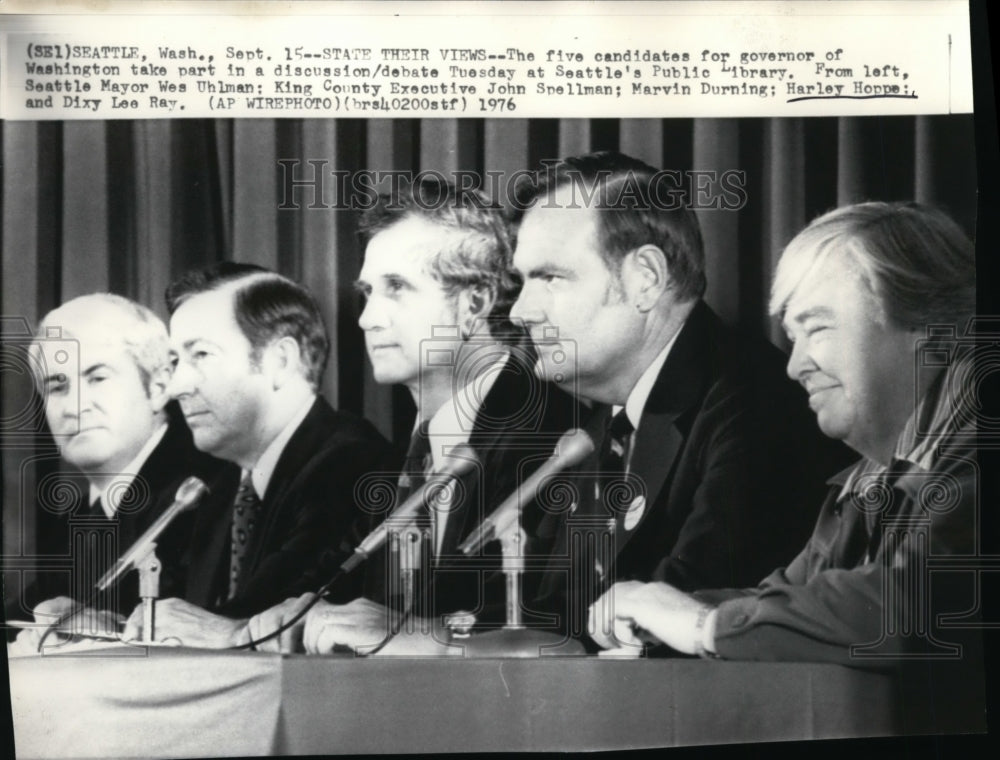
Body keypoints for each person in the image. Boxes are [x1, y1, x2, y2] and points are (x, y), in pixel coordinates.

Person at [588, 201, 978, 664]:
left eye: (818, 329)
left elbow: (920, 603)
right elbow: (793, 599)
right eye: (794, 339)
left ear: (929, 328)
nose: (794, 368)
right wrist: (662, 611)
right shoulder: (869, 478)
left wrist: (700, 626)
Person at [508, 151, 852, 647]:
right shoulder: (602, 423)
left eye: (550, 278)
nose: (520, 311)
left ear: (644, 278)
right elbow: (548, 607)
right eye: (522, 282)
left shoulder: (756, 404)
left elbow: (677, 608)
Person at [247, 179, 579, 654]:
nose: (367, 319)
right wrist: (253, 628)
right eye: (368, 292)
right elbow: (321, 592)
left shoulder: (550, 437)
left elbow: (551, 621)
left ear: (475, 303)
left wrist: (432, 635)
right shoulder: (410, 450)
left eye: (396, 288)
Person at [122, 263, 390, 647]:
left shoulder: (351, 463)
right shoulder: (217, 483)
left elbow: (272, 615)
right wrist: (107, 622)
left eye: (200, 354)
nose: (177, 386)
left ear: (280, 361)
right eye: (177, 362)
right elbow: (183, 609)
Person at [5, 294, 224, 649]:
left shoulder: (209, 491)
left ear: (157, 387)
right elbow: (18, 619)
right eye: (57, 386)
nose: (75, 407)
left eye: (97, 378)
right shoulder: (75, 518)